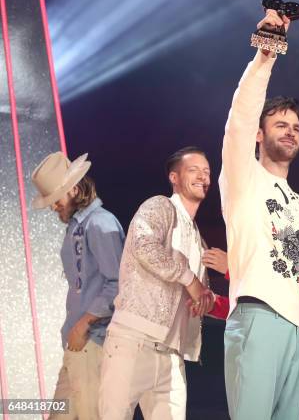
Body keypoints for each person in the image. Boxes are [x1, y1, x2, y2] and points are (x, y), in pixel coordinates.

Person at [220, 9, 299, 420]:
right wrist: (267, 53)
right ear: (260, 136)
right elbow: (240, 119)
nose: (291, 131)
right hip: (257, 316)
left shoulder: (298, 202)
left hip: (296, 330)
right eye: (280, 124)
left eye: (296, 126)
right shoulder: (243, 177)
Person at [99, 146, 215, 420]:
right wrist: (190, 279)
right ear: (174, 177)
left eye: (207, 171)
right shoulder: (160, 206)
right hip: (132, 341)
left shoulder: (198, 240)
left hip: (172, 356)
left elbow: (194, 295)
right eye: (194, 170)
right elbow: (143, 244)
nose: (203, 176)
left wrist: (205, 299)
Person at [31, 152, 125, 420]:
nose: (53, 206)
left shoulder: (100, 223)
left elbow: (119, 283)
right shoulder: (76, 226)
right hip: (77, 345)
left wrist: (84, 324)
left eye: (55, 199)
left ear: (74, 188)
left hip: (93, 343)